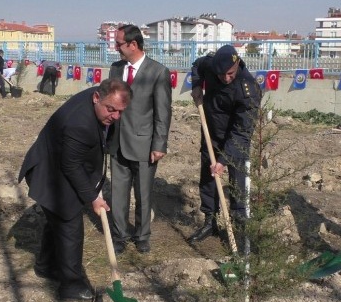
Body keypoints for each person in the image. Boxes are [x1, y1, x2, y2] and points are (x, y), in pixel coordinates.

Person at [18, 78, 132, 301]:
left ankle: (46, 266)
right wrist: (92, 197)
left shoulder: (102, 99)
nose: (116, 117)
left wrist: (94, 186)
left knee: (57, 219)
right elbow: (71, 166)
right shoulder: (79, 123)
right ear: (97, 98)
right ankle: (71, 285)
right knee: (69, 223)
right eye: (111, 110)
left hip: (59, 163)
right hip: (49, 172)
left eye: (120, 112)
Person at [187, 45, 262, 249]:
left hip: (237, 142)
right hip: (211, 133)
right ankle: (210, 222)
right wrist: (196, 86)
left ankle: (238, 230)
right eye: (221, 75)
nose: (225, 78)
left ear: (237, 63)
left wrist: (223, 160)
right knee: (208, 180)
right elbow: (196, 66)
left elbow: (242, 130)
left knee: (238, 185)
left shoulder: (249, 89)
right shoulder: (210, 65)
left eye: (229, 73)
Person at [108, 24, 172, 254]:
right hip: (117, 141)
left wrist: (159, 144)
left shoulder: (157, 72)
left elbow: (163, 112)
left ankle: (142, 235)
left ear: (133, 45)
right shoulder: (116, 69)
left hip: (145, 145)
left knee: (143, 193)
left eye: (118, 44)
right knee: (118, 192)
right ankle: (119, 235)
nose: (115, 48)